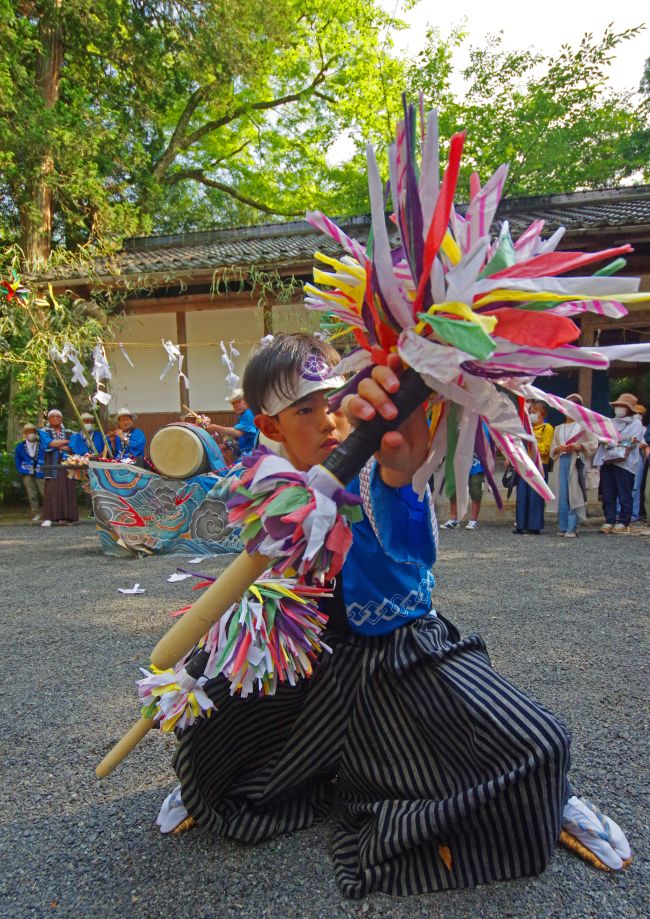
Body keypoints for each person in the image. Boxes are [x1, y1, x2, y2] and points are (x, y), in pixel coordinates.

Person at [161, 333, 630, 896]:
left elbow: (416, 549)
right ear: (271, 428)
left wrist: (399, 478)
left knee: (537, 741)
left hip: (403, 653)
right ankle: (209, 785)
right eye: (304, 410)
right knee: (208, 726)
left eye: (332, 401)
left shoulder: (370, 466)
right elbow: (257, 588)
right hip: (316, 658)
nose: (327, 420)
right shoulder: (266, 482)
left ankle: (555, 801)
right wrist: (206, 656)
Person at [593, 392, 645, 535]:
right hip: (608, 461)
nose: (619, 408)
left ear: (629, 408)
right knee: (608, 493)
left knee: (624, 493)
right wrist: (609, 441)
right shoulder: (610, 422)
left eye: (622, 406)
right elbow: (602, 438)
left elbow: (633, 442)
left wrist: (614, 442)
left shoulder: (636, 424)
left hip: (626, 464)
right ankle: (609, 520)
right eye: (618, 406)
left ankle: (624, 522)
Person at [547, 394, 598, 538]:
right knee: (561, 494)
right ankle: (563, 526)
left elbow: (594, 444)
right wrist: (559, 448)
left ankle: (572, 527)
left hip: (576, 462)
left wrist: (578, 445)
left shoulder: (584, 427)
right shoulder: (558, 428)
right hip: (561, 461)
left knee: (574, 493)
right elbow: (552, 448)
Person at [514, 401, 554, 534]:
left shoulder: (547, 428)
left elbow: (546, 448)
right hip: (525, 464)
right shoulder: (525, 429)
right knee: (522, 494)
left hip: (540, 465)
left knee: (536, 495)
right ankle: (521, 524)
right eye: (530, 411)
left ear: (542, 413)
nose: (531, 414)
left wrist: (532, 444)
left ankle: (534, 525)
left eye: (535, 411)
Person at [39, 409, 78, 527]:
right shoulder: (44, 431)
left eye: (58, 416)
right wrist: (65, 442)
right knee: (51, 491)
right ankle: (49, 518)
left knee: (68, 490)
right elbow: (49, 444)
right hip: (52, 464)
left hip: (67, 464)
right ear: (49, 419)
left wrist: (58, 443)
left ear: (61, 419)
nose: (56, 418)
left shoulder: (70, 431)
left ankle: (66, 518)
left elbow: (74, 445)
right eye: (53, 416)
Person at [207, 389, 258, 457]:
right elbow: (238, 437)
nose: (236, 405)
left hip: (251, 454)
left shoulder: (248, 414)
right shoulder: (242, 416)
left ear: (247, 401)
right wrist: (226, 445)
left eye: (239, 401)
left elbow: (238, 433)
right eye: (233, 403)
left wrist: (216, 427)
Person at [14, 422, 45, 522]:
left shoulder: (41, 445)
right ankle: (36, 513)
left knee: (45, 492)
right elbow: (17, 461)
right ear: (25, 433)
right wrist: (22, 470)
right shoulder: (20, 447)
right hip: (27, 472)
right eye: (28, 432)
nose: (31, 433)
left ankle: (48, 512)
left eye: (32, 431)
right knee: (32, 494)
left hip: (41, 472)